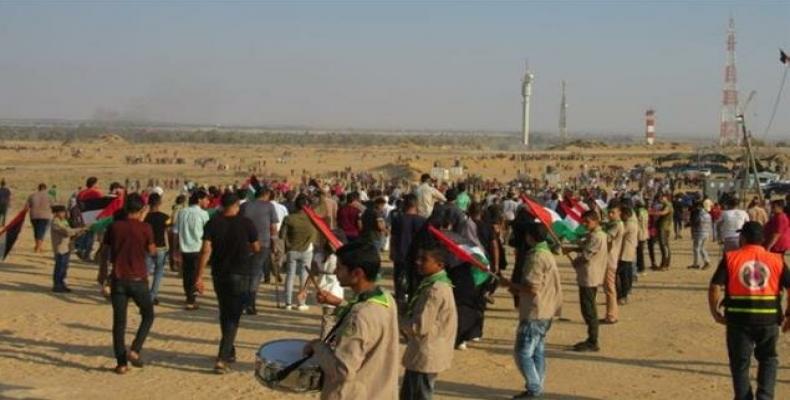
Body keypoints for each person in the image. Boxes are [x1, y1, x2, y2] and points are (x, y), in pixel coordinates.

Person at [305, 241, 399, 400]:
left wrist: (318, 347)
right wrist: (337, 302)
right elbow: (365, 315)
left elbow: (343, 370)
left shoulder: (360, 316)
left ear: (357, 273)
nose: (335, 271)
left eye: (340, 267)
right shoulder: (385, 297)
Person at [708, 221, 790, 400]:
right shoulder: (777, 259)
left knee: (740, 363)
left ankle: (743, 397)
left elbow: (715, 286)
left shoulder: (731, 258)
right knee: (768, 359)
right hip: (768, 320)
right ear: (762, 239)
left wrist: (715, 313)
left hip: (738, 320)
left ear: (743, 238)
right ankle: (765, 396)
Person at [197, 192, 261, 373]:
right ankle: (222, 359)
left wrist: (199, 276)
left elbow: (205, 251)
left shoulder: (212, 223)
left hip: (219, 274)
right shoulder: (246, 223)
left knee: (225, 312)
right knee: (233, 317)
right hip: (240, 273)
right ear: (236, 206)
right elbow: (256, 247)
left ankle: (229, 350)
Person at [500, 222, 563, 399]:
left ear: (531, 237)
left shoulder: (536, 257)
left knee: (523, 352)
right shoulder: (545, 252)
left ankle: (534, 388)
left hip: (536, 310)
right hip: (545, 309)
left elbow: (532, 287)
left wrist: (509, 284)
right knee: (537, 350)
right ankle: (536, 385)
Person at [103, 194, 156, 375]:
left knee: (119, 323)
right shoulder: (145, 228)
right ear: (141, 210)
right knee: (148, 314)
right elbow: (152, 251)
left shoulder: (114, 227)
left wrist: (103, 276)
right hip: (138, 278)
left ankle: (121, 363)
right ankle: (135, 348)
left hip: (118, 278)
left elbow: (105, 251)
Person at [399, 245, 457, 400]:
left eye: (424, 260)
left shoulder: (435, 290)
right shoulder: (435, 284)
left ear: (440, 264)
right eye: (418, 258)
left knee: (420, 393)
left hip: (427, 350)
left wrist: (398, 320)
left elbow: (419, 326)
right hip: (427, 348)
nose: (418, 262)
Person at [564, 210, 607, 352]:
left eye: (587, 222)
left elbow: (586, 255)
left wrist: (575, 262)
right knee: (587, 307)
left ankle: (593, 340)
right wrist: (571, 249)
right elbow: (584, 246)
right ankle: (591, 338)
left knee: (589, 309)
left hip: (590, 276)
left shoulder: (597, 237)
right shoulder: (594, 235)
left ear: (595, 221)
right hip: (588, 275)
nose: (584, 224)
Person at [240, 186, 279, 314]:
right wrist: (275, 244)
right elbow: (273, 227)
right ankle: (250, 304)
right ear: (266, 194)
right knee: (255, 273)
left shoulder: (245, 205)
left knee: (245, 273)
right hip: (263, 243)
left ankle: (244, 303)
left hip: (245, 243)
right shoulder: (269, 206)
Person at [280, 194, 317, 311]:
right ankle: (301, 303)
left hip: (292, 249)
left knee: (290, 276)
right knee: (303, 277)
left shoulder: (289, 218)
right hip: (307, 250)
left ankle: (288, 303)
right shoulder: (312, 219)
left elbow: (282, 235)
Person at [389, 194, 426, 311]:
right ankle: (413, 304)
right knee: (414, 280)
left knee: (399, 280)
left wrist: (392, 251)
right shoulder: (422, 221)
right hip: (416, 257)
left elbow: (393, 238)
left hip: (400, 254)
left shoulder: (398, 219)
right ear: (416, 205)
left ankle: (400, 304)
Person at [175, 190, 210, 310]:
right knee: (195, 274)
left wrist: (175, 248)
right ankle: (191, 300)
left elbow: (176, 232)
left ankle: (189, 296)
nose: (208, 201)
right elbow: (208, 232)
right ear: (199, 200)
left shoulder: (182, 212)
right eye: (206, 199)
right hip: (197, 248)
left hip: (185, 248)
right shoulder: (203, 214)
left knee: (187, 274)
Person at [50, 205, 86, 292]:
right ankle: (57, 285)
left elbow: (71, 232)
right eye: (61, 212)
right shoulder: (56, 222)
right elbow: (67, 232)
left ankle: (62, 284)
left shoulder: (64, 221)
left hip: (67, 247)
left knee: (64, 268)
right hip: (60, 248)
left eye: (64, 212)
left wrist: (81, 231)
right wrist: (80, 229)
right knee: (60, 267)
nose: (64, 214)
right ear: (56, 213)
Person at [143, 193, 169, 304]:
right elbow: (169, 230)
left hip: (147, 247)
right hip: (161, 248)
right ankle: (152, 296)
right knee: (158, 273)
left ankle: (143, 295)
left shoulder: (145, 218)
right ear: (159, 203)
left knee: (145, 273)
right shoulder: (165, 217)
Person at [602, 205, 623, 323]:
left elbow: (607, 238)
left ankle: (612, 315)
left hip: (610, 260)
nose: (610, 215)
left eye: (613, 213)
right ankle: (610, 314)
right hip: (609, 259)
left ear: (619, 213)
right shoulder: (612, 224)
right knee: (608, 288)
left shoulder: (616, 225)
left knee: (610, 288)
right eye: (609, 212)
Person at [75, 177, 103, 260]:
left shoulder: (82, 192)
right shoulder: (97, 192)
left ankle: (81, 249)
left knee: (84, 233)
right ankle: (86, 254)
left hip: (83, 215)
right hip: (93, 216)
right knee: (91, 235)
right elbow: (101, 204)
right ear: (94, 184)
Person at [618, 205, 638, 305]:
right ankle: (627, 292)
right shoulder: (633, 222)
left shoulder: (628, 224)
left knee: (623, 275)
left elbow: (619, 233)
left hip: (625, 251)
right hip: (630, 250)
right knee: (627, 272)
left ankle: (623, 295)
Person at [651, 192, 673, 270]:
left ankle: (664, 264)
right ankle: (665, 264)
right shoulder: (665, 205)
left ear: (666, 197)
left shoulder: (668, 205)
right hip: (663, 227)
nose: (660, 199)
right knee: (665, 246)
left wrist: (652, 212)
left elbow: (664, 213)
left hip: (663, 228)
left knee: (664, 246)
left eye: (661, 198)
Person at [27, 183, 52, 253]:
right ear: (46, 188)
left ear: (38, 188)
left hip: (33, 216)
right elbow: (54, 206)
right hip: (45, 216)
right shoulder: (49, 196)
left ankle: (37, 246)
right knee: (41, 231)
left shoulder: (32, 196)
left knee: (36, 230)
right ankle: (38, 247)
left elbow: (27, 207)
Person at [689, 200, 713, 270]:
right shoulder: (708, 215)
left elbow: (696, 222)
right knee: (702, 248)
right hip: (706, 233)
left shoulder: (698, 213)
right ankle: (707, 261)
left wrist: (690, 223)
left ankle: (696, 264)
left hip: (699, 233)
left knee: (696, 248)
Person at [635, 200, 649, 275]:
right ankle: (640, 267)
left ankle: (641, 268)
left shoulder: (638, 212)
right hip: (644, 233)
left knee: (639, 252)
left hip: (639, 233)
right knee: (640, 252)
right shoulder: (645, 211)